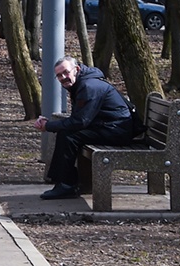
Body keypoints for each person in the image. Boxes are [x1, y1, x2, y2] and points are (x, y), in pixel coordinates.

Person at [33, 55, 135, 200]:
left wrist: (48, 126)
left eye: (66, 72)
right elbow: (80, 118)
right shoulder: (82, 83)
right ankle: (64, 183)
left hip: (117, 131)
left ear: (76, 69)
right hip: (110, 127)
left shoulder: (88, 87)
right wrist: (51, 124)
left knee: (68, 136)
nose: (63, 77)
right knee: (67, 134)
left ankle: (65, 185)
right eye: (59, 76)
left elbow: (80, 121)